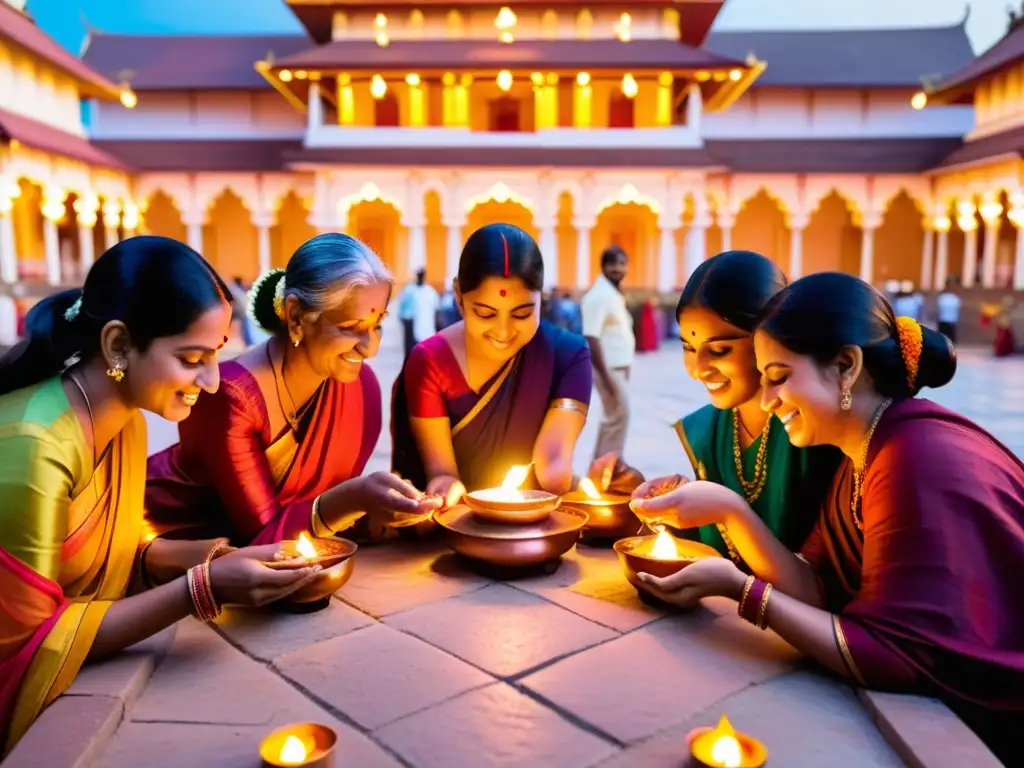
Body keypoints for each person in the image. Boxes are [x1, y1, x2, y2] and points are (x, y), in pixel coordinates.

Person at [629, 272, 1024, 761]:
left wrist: (739, 588)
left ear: (845, 366)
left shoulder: (914, 458)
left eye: (777, 378)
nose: (768, 401)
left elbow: (889, 653)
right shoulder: (862, 451)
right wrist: (728, 509)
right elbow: (814, 585)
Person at [0, 237, 323, 754]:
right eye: (192, 358)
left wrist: (218, 557)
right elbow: (34, 646)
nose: (213, 383)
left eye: (216, 355)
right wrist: (201, 588)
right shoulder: (36, 447)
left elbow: (117, 558)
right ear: (118, 346)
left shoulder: (121, 416)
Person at [145, 233, 439, 549]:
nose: (369, 348)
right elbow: (263, 542)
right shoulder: (230, 398)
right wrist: (354, 498)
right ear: (297, 316)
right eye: (351, 327)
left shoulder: (361, 387)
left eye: (377, 325)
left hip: (280, 556)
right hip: (166, 541)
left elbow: (323, 521)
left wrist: (391, 512)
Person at [593, 251, 843, 561]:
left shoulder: (812, 429)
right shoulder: (708, 430)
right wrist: (652, 500)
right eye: (688, 346)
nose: (699, 369)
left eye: (720, 350)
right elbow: (716, 547)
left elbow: (821, 577)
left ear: (769, 339)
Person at [391, 223, 592, 502]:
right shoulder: (431, 362)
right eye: (485, 313)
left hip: (532, 517)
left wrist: (586, 483)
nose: (503, 331)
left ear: (541, 299)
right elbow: (441, 473)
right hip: (448, 522)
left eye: (522, 314)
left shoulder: (567, 355)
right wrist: (445, 486)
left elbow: (553, 466)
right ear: (459, 298)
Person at [581, 245, 635, 460]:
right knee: (619, 416)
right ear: (603, 266)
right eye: (613, 264)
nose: (618, 269)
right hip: (608, 368)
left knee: (613, 418)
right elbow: (591, 336)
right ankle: (608, 469)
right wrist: (605, 376)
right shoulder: (599, 295)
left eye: (622, 264)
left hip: (617, 368)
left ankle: (603, 469)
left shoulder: (612, 293)